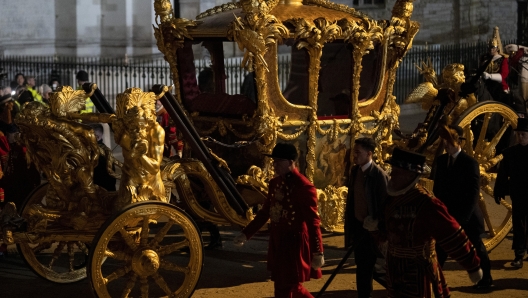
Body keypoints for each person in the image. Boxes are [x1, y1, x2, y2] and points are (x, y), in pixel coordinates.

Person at [382, 147, 482, 297]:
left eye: (397, 171)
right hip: (394, 269)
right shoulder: (392, 198)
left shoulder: (428, 204)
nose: (392, 175)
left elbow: (453, 234)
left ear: (410, 175)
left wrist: (472, 265)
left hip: (417, 272)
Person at [233, 143, 324, 298]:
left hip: (294, 244)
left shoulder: (304, 187)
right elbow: (265, 212)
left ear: (290, 162)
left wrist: (318, 251)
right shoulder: (275, 183)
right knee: (283, 287)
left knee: (289, 287)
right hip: (278, 241)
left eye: (278, 162)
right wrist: (246, 234)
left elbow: (313, 222)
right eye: (274, 162)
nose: (274, 166)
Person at [431, 124, 493, 289]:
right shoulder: (442, 161)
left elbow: (473, 193)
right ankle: (434, 281)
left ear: (459, 142)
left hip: (468, 216)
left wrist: (463, 218)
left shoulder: (470, 163)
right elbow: (437, 189)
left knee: (476, 248)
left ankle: (486, 280)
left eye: (450, 142)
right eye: (445, 142)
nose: (447, 145)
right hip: (448, 215)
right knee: (440, 249)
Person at [344, 137, 388, 298]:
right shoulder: (355, 171)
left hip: (372, 230)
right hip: (358, 227)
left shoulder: (378, 175)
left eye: (358, 152)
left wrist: (377, 224)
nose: (354, 156)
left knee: (373, 267)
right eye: (354, 152)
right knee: (362, 266)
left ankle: (398, 290)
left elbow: (385, 203)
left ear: (369, 154)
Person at [494, 117, 528, 268]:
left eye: (523, 134)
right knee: (518, 224)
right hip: (519, 193)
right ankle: (519, 255)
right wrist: (498, 190)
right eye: (518, 134)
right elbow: (502, 174)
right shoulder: (510, 153)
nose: (520, 137)